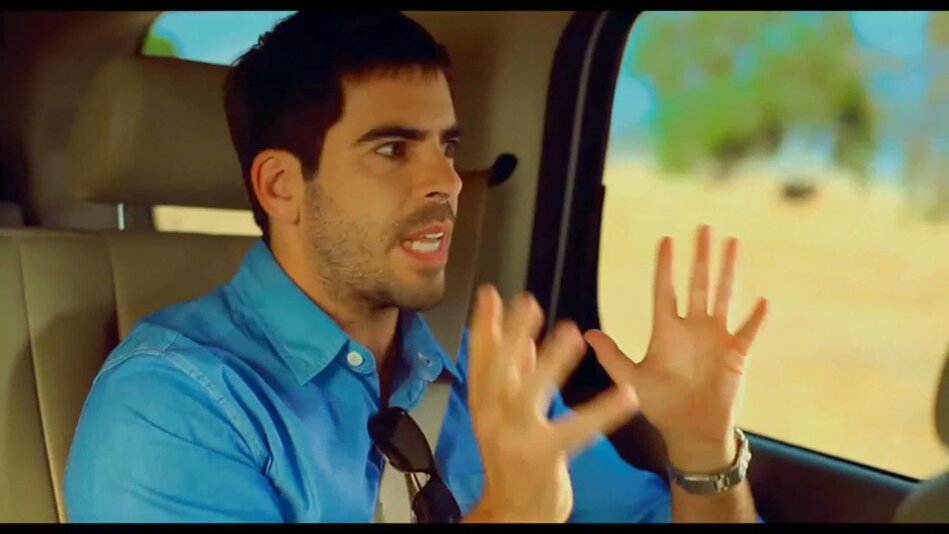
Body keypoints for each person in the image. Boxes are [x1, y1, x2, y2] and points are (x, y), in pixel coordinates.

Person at [64, 11, 768, 523]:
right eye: (393, 149)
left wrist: (703, 449)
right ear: (281, 187)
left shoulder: (482, 372)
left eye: (447, 146)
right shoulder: (173, 406)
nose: (448, 182)